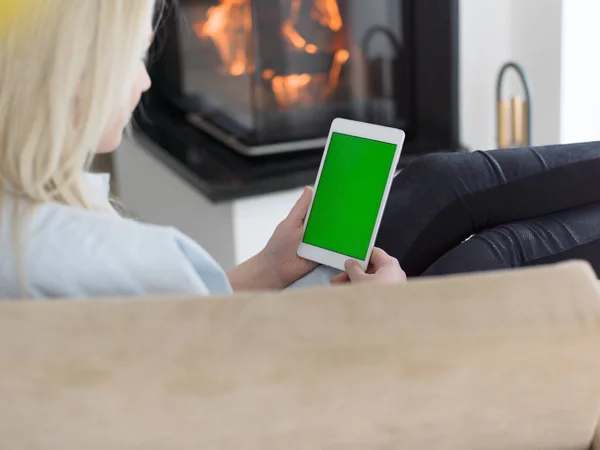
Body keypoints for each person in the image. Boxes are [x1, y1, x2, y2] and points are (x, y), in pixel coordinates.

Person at [0, 0, 405, 299]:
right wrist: (382, 315)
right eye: (136, 55)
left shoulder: (33, 242)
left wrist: (268, 268)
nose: (145, 82)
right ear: (75, 76)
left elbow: (185, 312)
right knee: (439, 201)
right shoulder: (134, 259)